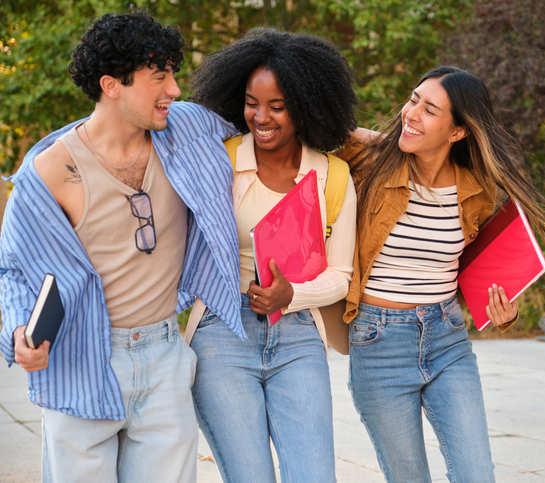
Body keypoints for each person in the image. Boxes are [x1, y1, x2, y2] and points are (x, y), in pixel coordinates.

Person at [0, 12, 244, 482]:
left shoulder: (188, 130)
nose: (174, 89)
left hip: (164, 357)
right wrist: (16, 334)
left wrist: (381, 145)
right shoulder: (50, 171)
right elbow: (11, 269)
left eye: (173, 73)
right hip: (80, 358)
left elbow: (272, 128)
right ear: (112, 85)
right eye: (160, 76)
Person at [343, 66, 545, 482]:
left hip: (447, 340)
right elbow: (322, 134)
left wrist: (505, 313)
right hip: (378, 343)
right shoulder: (368, 165)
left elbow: (476, 267)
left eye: (430, 110)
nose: (411, 113)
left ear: (458, 131)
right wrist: (375, 138)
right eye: (413, 100)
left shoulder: (477, 188)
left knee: (476, 474)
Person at [187, 28, 358, 483]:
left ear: (305, 106)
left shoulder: (334, 176)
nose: (260, 117)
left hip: (299, 336)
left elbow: (342, 275)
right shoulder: (218, 161)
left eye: (277, 106)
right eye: (251, 102)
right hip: (222, 332)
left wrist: (292, 294)